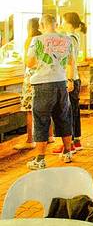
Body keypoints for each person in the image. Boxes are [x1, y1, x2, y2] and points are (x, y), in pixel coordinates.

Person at [25, 14, 76, 170]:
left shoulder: (37, 40)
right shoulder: (67, 40)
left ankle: (40, 159)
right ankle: (67, 152)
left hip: (42, 83)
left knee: (41, 120)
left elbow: (30, 63)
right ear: (56, 24)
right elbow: (71, 62)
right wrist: (70, 80)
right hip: (61, 82)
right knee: (63, 117)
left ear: (41, 25)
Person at [52, 12, 86, 154]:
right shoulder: (74, 37)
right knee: (74, 111)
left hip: (69, 78)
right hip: (74, 77)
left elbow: (67, 61)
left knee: (67, 112)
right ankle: (76, 140)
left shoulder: (69, 39)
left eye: (63, 21)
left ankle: (70, 142)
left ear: (69, 23)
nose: (61, 24)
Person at [13, 18, 42, 151]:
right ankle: (49, 136)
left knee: (29, 109)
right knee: (44, 108)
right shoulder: (44, 39)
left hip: (31, 77)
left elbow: (28, 61)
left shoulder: (30, 40)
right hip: (42, 76)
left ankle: (30, 140)